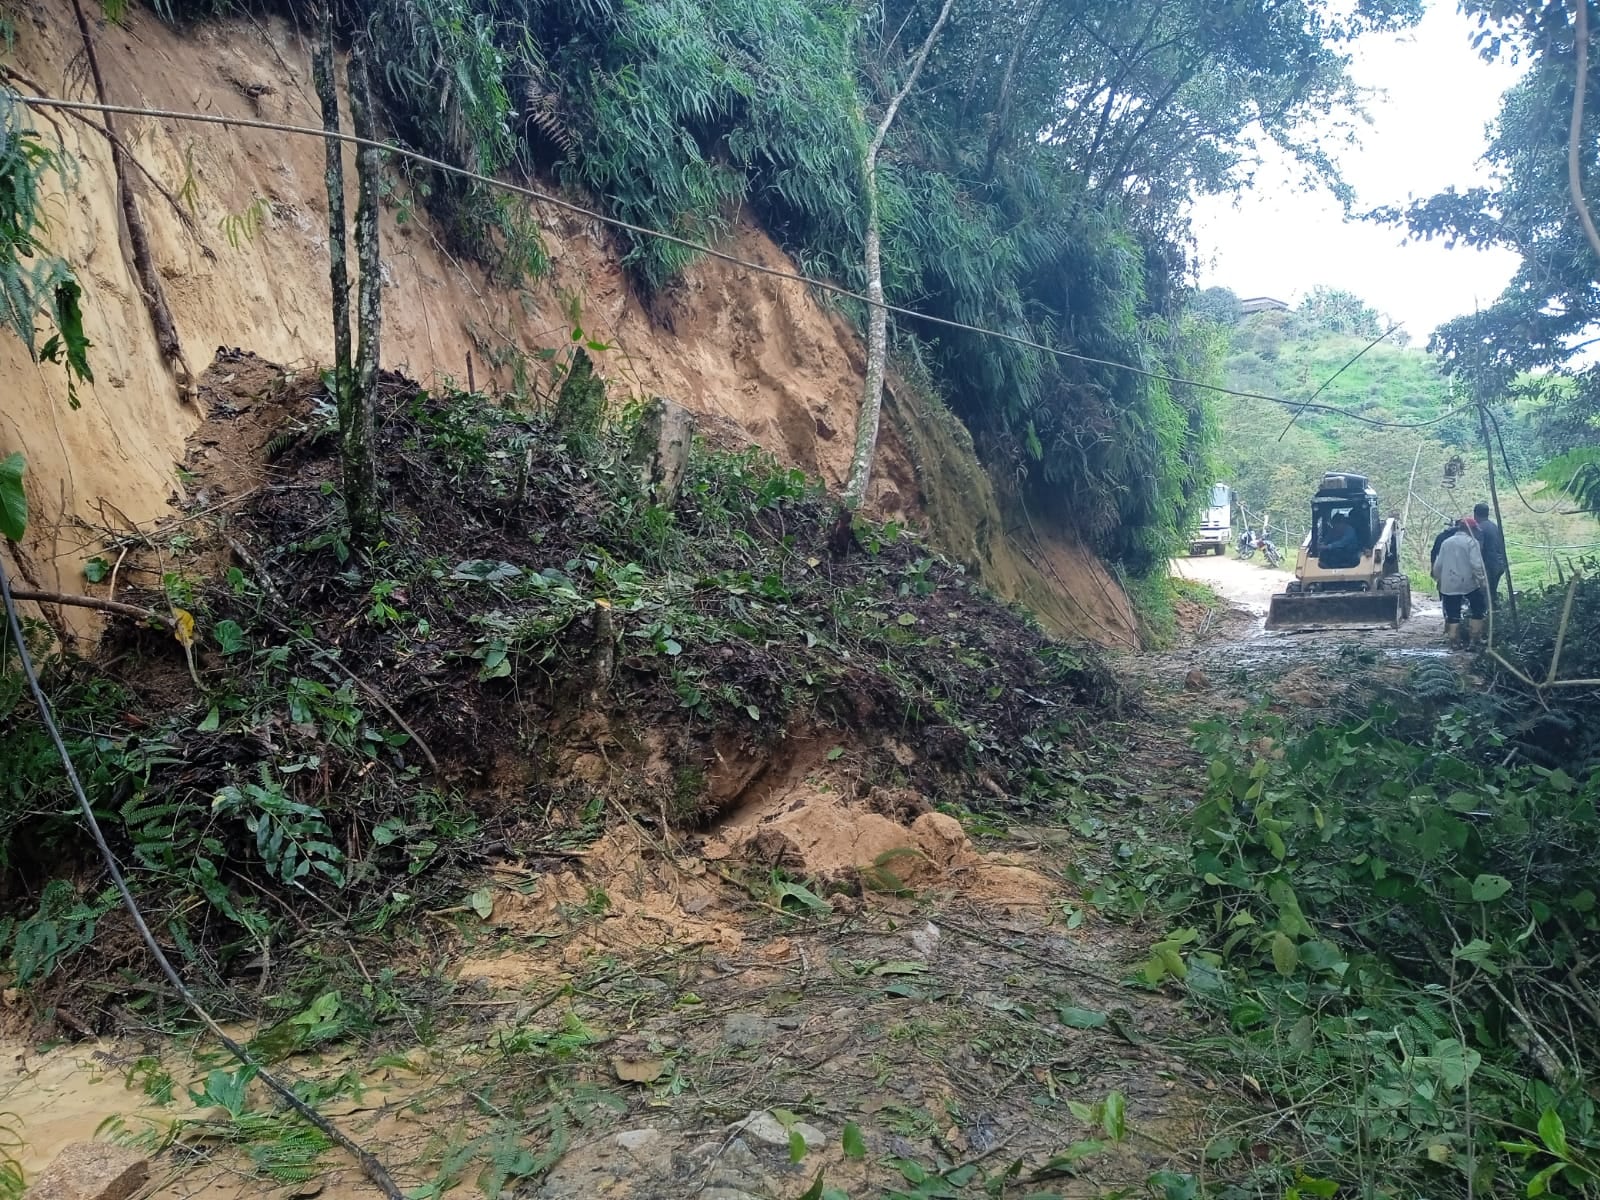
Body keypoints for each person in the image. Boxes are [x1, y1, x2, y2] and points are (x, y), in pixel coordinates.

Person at [1431, 519, 1489, 646]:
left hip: (1449, 583)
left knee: (1452, 611)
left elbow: (1438, 564)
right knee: (1478, 608)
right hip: (1468, 582)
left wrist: (1438, 579)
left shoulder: (1446, 542)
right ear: (1470, 530)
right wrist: (1482, 581)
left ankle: (1454, 640)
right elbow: (1476, 564)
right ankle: (1475, 638)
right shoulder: (1472, 542)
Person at [1473, 501, 1508, 606]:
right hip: (1500, 564)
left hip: (1489, 566)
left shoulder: (1479, 528)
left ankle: (1487, 616)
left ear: (1475, 514)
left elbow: (1478, 548)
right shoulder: (1494, 526)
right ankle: (1494, 613)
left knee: (1485, 594)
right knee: (1491, 592)